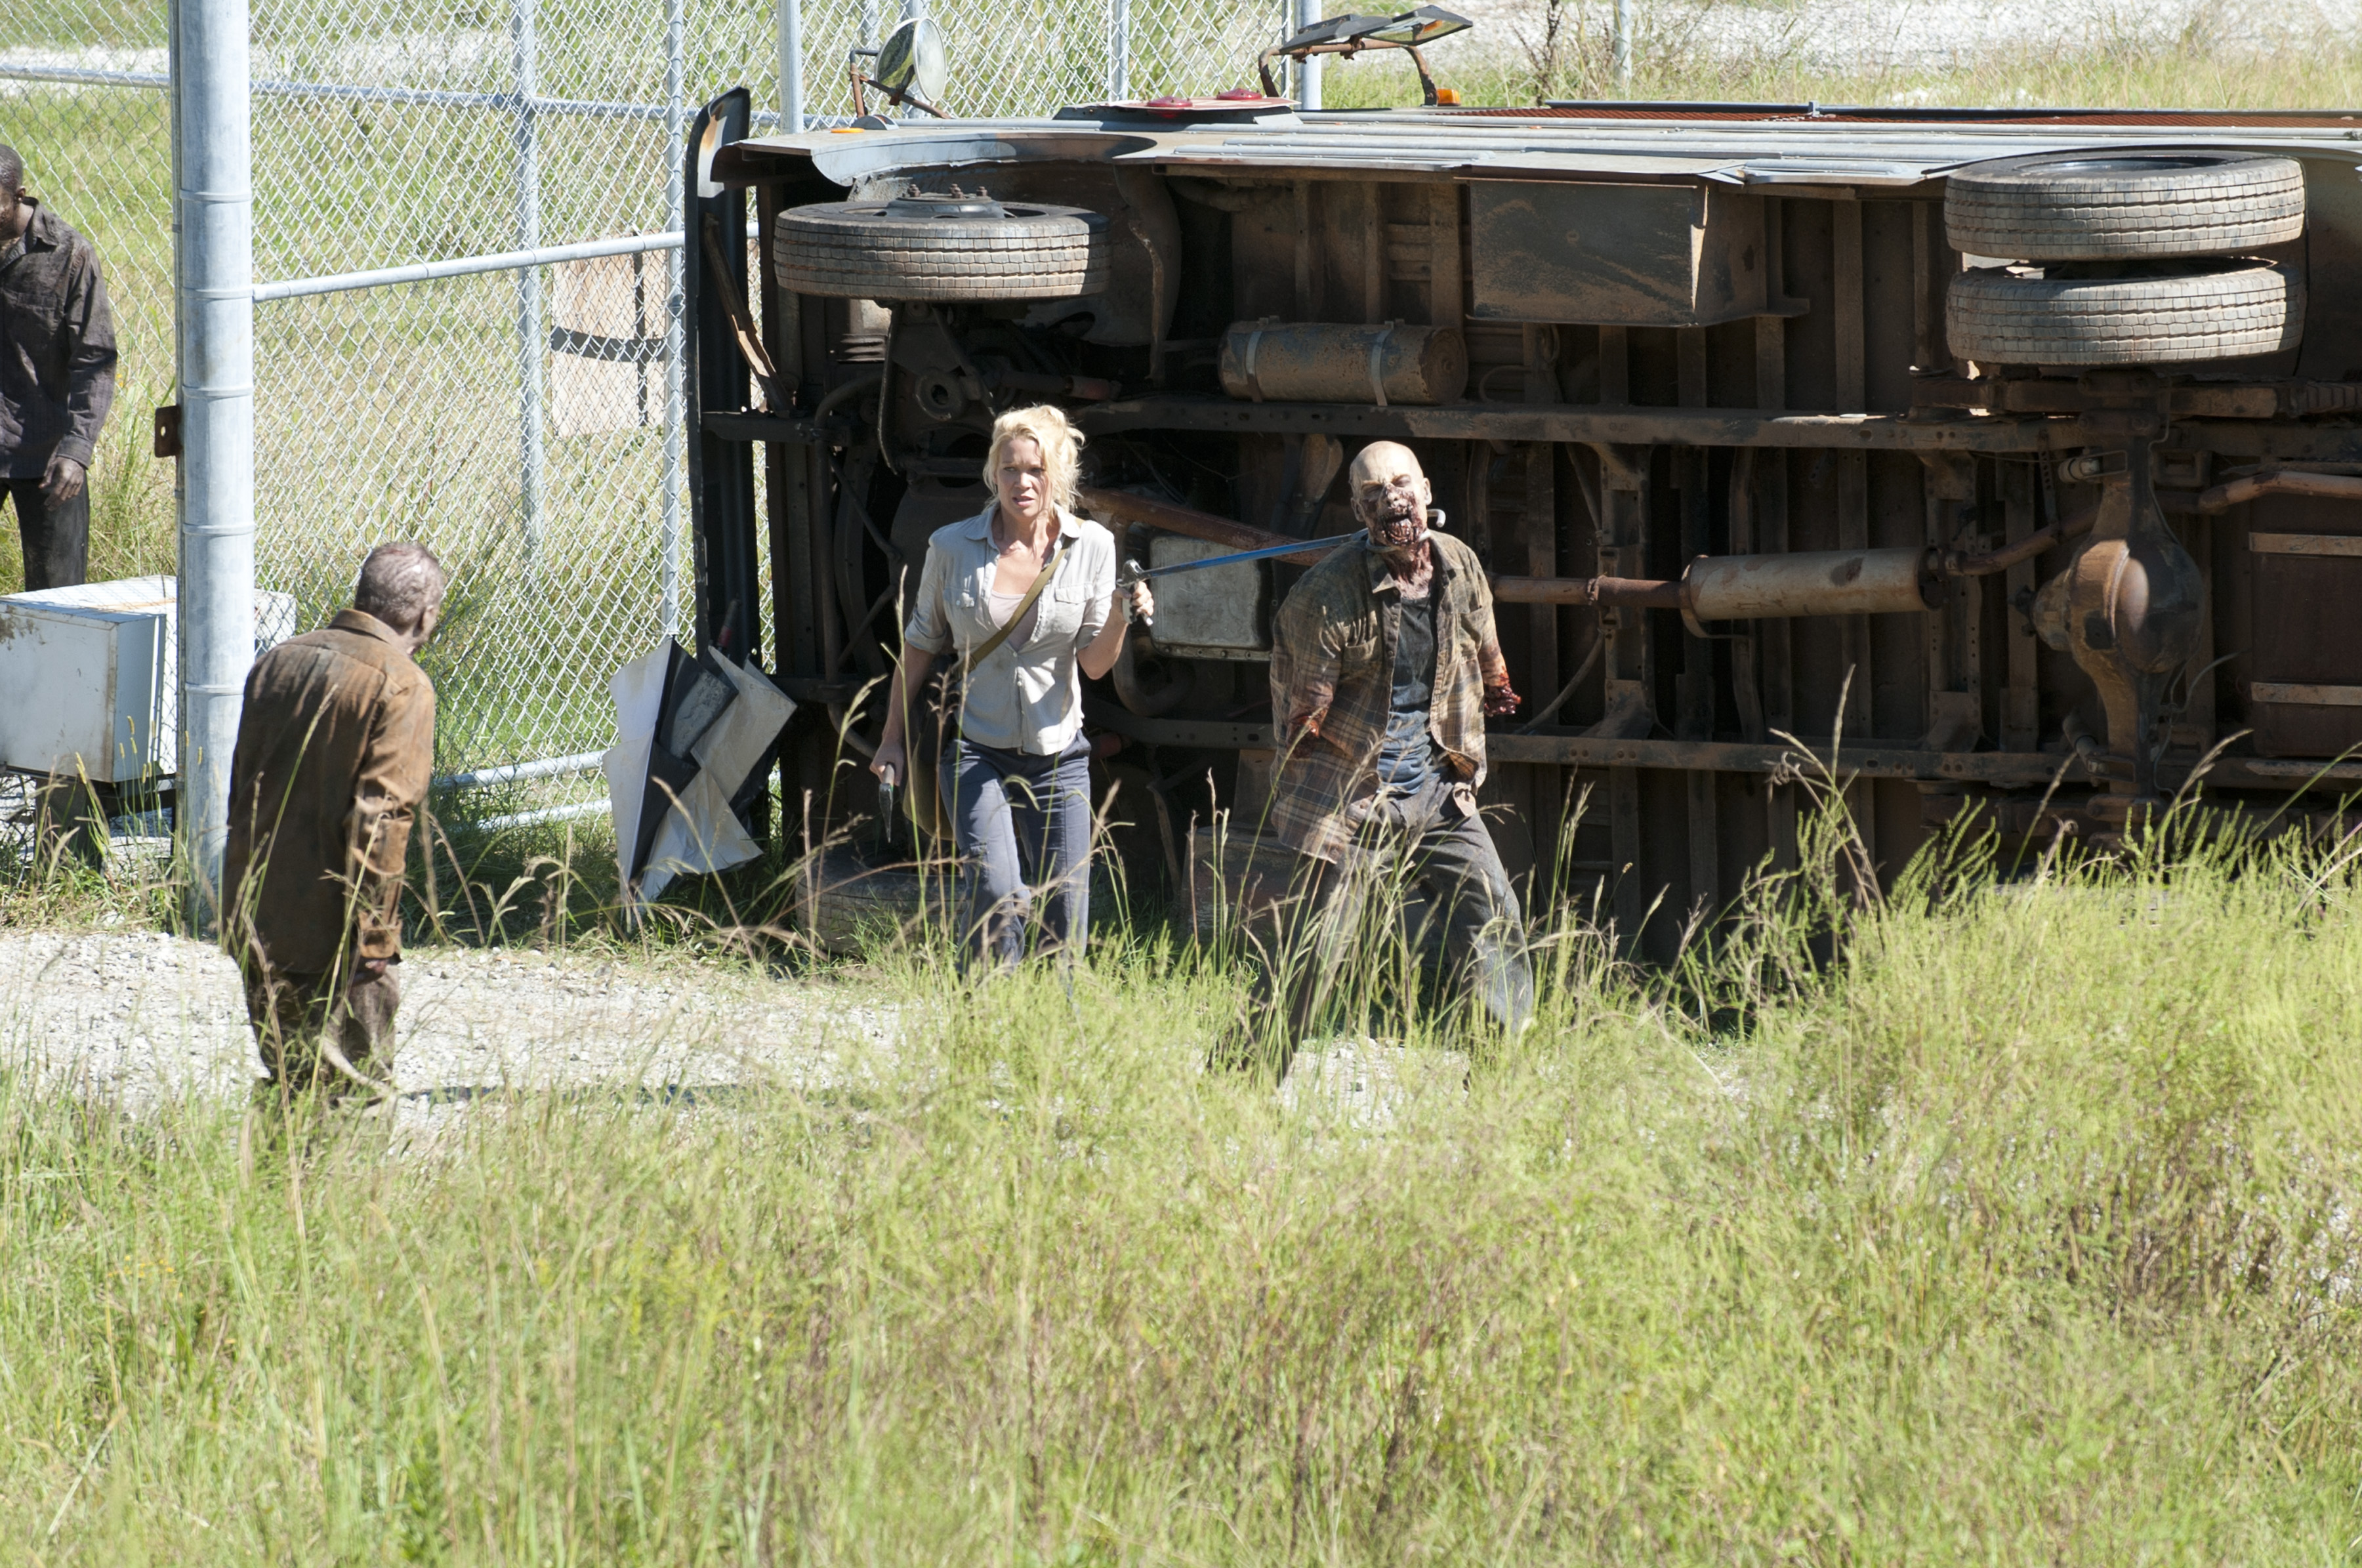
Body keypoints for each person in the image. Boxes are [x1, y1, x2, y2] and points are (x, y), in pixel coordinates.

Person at [1228, 440, 1534, 1075]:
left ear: (1426, 492)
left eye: (1401, 484)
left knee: (1495, 919)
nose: (1391, 498)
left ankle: (1499, 1084)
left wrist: (1485, 717)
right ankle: (1240, 1079)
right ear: (1357, 509)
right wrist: (1320, 814)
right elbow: (1299, 721)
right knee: (1314, 953)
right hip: (1357, 799)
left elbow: (1485, 653)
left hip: (1439, 790)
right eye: (1373, 492)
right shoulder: (1325, 596)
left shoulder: (1459, 565)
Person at [871, 405, 1151, 970]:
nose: (1022, 482)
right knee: (999, 895)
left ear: (1058, 475)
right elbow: (918, 648)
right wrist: (892, 740)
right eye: (1010, 469)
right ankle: (986, 1007)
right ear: (993, 473)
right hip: (977, 751)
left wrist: (1123, 615)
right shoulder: (951, 547)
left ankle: (1051, 1021)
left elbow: (1095, 666)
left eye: (1036, 470)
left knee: (1066, 919)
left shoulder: (1093, 546)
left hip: (1059, 757)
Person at [224, 543, 444, 1104]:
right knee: (353, 1097)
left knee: (289, 1083)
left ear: (364, 596)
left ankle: (273, 1165)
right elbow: (383, 818)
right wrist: (373, 936)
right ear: (425, 616)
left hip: (260, 911)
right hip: (338, 928)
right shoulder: (403, 684)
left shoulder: (277, 661)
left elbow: (243, 788)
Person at [0, 143, 116, 591]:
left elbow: (95, 358)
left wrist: (76, 450)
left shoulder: (70, 255)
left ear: (19, 196)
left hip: (46, 452)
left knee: (57, 598)